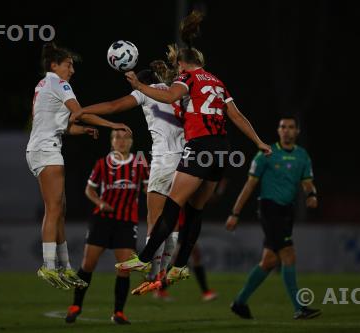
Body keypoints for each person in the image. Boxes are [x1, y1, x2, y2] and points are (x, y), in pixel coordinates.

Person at [115, 11, 271, 285]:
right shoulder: (217, 82)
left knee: (173, 206)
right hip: (222, 148)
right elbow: (236, 116)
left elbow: (170, 94)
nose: (176, 71)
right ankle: (180, 266)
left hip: (200, 146)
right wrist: (258, 141)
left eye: (178, 67)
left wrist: (139, 85)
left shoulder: (187, 80)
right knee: (195, 210)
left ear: (185, 65)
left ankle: (144, 257)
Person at [26, 42, 132, 290]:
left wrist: (82, 130)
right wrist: (112, 125)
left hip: (41, 148)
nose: (72, 70)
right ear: (54, 65)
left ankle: (65, 267)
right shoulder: (59, 83)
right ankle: (48, 267)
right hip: (47, 150)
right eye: (68, 64)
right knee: (53, 209)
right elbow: (80, 112)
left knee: (59, 210)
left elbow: (65, 124)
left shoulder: (44, 85)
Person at [77, 60, 184, 294]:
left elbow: (115, 106)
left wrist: (84, 110)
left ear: (142, 84)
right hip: (187, 159)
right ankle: (165, 270)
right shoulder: (176, 92)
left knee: (155, 217)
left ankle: (151, 270)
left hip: (165, 158)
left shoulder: (146, 93)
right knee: (172, 217)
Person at [225, 116, 321, 320]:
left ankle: (240, 302)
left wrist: (311, 194)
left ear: (297, 131)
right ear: (278, 131)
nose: (286, 130)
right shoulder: (266, 153)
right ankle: (299, 307)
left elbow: (307, 182)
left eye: (291, 127)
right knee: (288, 253)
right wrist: (235, 213)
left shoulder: (302, 156)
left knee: (268, 261)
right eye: (283, 127)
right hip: (269, 209)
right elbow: (249, 185)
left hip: (288, 211)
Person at [65, 129, 149, 325]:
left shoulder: (140, 162)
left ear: (131, 141)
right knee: (88, 264)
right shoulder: (102, 163)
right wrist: (100, 202)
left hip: (127, 221)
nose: (121, 141)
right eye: (117, 137)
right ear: (111, 142)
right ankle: (76, 305)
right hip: (102, 219)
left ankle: (118, 313)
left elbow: (147, 187)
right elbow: (89, 189)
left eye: (126, 137)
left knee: (124, 268)